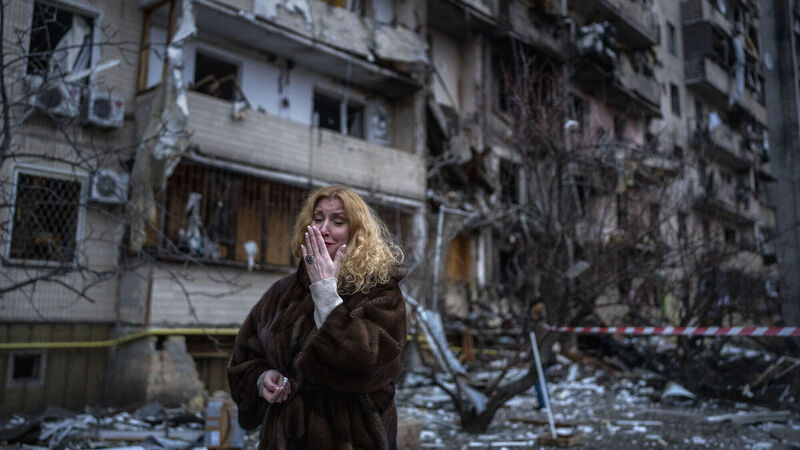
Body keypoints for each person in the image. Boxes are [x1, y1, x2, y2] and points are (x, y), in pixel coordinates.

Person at [227, 185, 407, 449]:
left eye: (338, 221)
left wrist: (325, 293)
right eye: (318, 218)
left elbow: (367, 362)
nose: (323, 229)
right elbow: (245, 356)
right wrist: (262, 378)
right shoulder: (284, 291)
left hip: (352, 436)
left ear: (357, 232)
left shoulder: (379, 291)